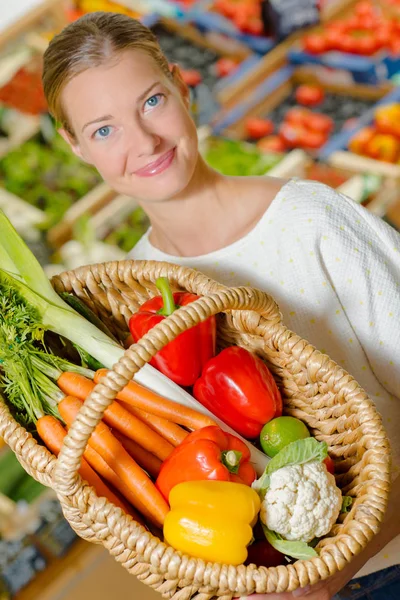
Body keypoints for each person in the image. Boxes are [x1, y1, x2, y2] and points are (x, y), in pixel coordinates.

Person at [42, 12, 400, 599]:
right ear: (75, 146)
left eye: (151, 102)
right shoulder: (132, 297)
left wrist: (330, 577)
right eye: (104, 131)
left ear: (184, 89)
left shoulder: (310, 220)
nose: (145, 142)